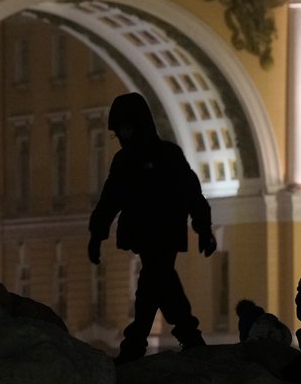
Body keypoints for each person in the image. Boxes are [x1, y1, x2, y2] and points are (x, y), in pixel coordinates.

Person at [87, 92, 215, 364]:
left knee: (153, 282)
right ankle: (186, 336)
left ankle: (139, 343)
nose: (121, 136)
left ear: (138, 125)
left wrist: (204, 229)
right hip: (148, 234)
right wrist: (97, 234)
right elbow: (110, 199)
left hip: (163, 232)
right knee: (159, 281)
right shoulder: (126, 161)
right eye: (118, 131)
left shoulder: (167, 156)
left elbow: (191, 193)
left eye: (124, 129)